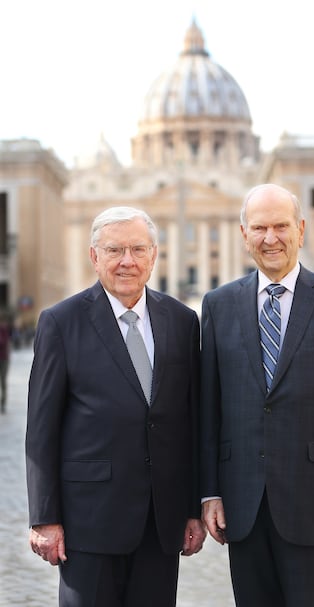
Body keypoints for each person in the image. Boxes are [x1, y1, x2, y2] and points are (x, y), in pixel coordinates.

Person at [200, 184, 314, 607]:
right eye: (259, 227)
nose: (270, 238)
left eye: (280, 226)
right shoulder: (218, 305)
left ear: (300, 230)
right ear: (244, 235)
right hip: (243, 506)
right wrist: (209, 492)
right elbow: (209, 409)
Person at [26, 207, 206, 607]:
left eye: (138, 249)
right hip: (87, 521)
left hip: (161, 521)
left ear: (154, 255)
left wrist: (193, 509)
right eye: (115, 250)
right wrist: (44, 517)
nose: (128, 261)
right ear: (95, 257)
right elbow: (41, 431)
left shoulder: (182, 321)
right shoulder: (61, 322)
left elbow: (191, 424)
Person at [0, 313, 11, 413]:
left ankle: (3, 404)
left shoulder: (3, 328)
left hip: (3, 359)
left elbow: (3, 342)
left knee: (3, 381)